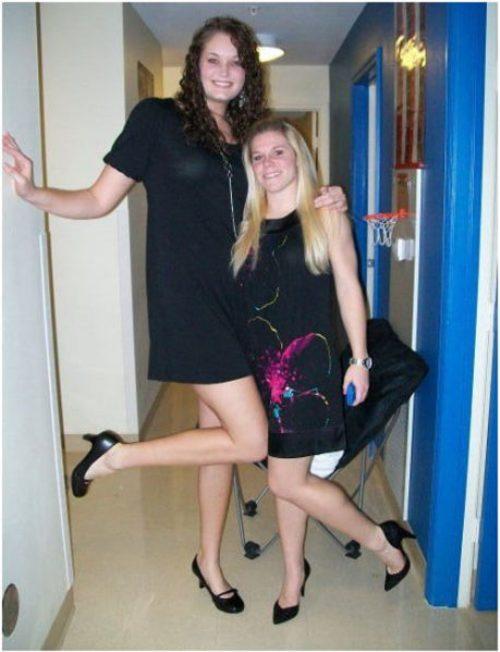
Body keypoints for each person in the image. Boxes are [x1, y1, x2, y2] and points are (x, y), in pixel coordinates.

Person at [2, 16, 347, 615]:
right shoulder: (158, 120)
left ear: (248, 74)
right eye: (213, 58)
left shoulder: (245, 137)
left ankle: (208, 562)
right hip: (189, 305)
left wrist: (326, 196)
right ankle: (117, 454)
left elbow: (281, 195)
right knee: (251, 438)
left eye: (236, 62)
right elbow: (97, 199)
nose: (224, 71)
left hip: (243, 306)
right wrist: (35, 194)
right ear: (195, 64)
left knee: (218, 443)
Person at [232, 118, 416, 624]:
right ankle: (294, 574)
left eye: (278, 152)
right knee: (287, 474)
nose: (268, 163)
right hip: (260, 375)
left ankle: (382, 542)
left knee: (287, 481)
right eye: (258, 156)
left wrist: (359, 359)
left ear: (298, 156)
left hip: (307, 373)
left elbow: (349, 288)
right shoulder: (247, 223)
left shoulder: (324, 214)